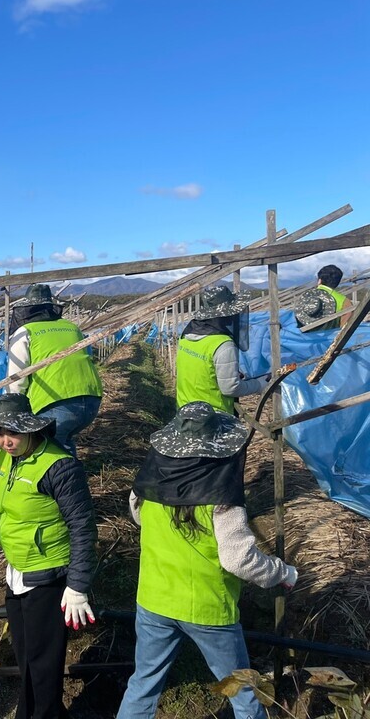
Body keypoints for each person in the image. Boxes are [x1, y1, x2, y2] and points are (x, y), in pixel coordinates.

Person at [117, 402, 297, 719]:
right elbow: (238, 559)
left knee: (144, 683)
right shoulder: (221, 497)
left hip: (154, 600)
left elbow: (139, 517)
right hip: (207, 607)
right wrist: (281, 573)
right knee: (240, 688)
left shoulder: (147, 484)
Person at [0, 392, 97, 719]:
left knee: (43, 664)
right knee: (26, 657)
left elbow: (83, 527)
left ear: (30, 429)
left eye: (12, 432)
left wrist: (77, 586)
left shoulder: (59, 466)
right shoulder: (3, 458)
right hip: (17, 572)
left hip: (49, 577)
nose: (5, 440)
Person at [8, 284, 103, 457]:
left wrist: (13, 410)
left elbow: (17, 377)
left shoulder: (25, 332)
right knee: (64, 444)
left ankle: (63, 474)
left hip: (55, 402)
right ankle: (72, 470)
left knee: (48, 453)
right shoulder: (72, 327)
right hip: (91, 400)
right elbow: (87, 357)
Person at [176, 286, 269, 415]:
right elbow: (230, 388)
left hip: (185, 410)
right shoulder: (223, 344)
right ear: (227, 315)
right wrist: (258, 385)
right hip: (212, 416)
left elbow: (200, 371)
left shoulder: (186, 336)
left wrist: (225, 372)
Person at [315, 264, 353, 328]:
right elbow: (346, 328)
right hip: (332, 334)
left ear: (319, 281)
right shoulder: (344, 301)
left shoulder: (305, 296)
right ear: (337, 282)